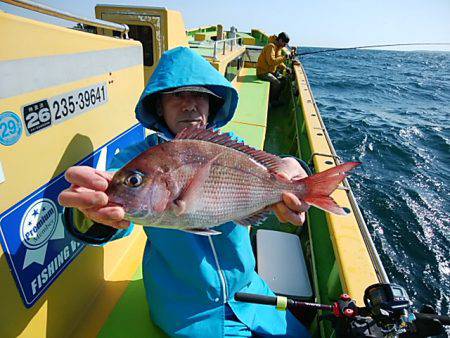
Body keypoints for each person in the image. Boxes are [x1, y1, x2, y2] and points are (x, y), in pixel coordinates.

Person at [59, 46, 311, 337]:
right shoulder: (135, 161)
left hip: (249, 290)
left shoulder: (230, 145)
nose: (190, 105)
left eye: (200, 95)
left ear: (211, 105)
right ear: (158, 106)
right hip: (185, 311)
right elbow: (112, 213)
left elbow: (275, 170)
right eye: (177, 95)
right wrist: (93, 216)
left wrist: (295, 167)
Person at [256, 32, 299, 106]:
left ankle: (275, 98)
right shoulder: (271, 47)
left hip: (271, 71)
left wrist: (286, 68)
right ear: (280, 40)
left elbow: (278, 61)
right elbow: (271, 62)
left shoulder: (278, 48)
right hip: (262, 72)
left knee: (284, 80)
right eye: (284, 43)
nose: (285, 45)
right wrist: (285, 57)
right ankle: (271, 102)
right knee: (277, 83)